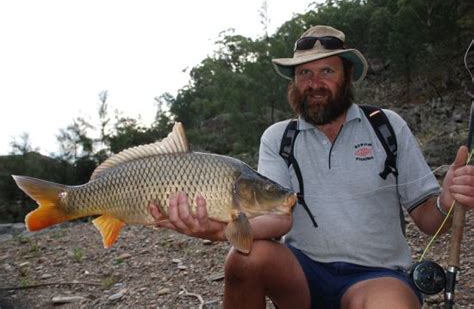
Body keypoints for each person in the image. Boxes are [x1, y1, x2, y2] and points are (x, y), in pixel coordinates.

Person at [149, 25, 474, 308]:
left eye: (327, 72)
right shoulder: (278, 138)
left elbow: (431, 222)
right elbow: (276, 218)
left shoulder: (387, 127)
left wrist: (447, 200)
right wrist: (221, 230)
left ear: (347, 76)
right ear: (294, 82)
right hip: (302, 275)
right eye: (305, 73)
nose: (314, 83)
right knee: (244, 260)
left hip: (377, 276)